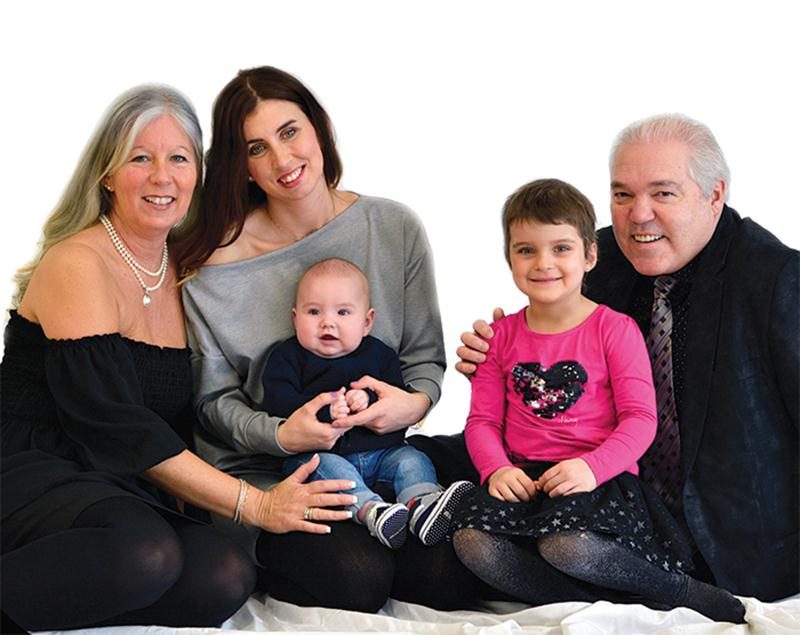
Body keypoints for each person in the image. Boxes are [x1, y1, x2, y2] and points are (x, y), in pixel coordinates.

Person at [0, 85, 355, 632]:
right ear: (107, 174)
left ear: (199, 175)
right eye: (140, 158)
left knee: (224, 576)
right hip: (34, 466)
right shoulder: (77, 262)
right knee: (145, 556)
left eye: (179, 158)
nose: (162, 177)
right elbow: (117, 424)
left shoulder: (185, 272)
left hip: (120, 481)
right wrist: (254, 505)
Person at [176, 65, 487, 612]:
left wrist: (412, 403)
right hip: (273, 472)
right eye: (256, 147)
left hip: (380, 449)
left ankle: (398, 515)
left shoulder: (393, 228)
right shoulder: (211, 269)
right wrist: (283, 436)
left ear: (318, 128)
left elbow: (422, 358)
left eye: (290, 131)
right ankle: (269, 559)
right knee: (359, 578)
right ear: (240, 165)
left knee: (448, 576)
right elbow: (211, 402)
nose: (281, 160)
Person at [456, 114, 799, 603]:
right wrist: (491, 354)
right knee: (441, 552)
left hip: (726, 536)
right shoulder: (595, 257)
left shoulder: (777, 279)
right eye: (622, 195)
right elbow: (541, 345)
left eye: (663, 193)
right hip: (571, 483)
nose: (639, 215)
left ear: (715, 194)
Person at [449, 177, 745, 623]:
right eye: (526, 250)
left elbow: (641, 418)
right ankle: (581, 599)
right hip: (528, 480)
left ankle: (674, 589)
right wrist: (497, 468)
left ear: (590, 255)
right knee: (471, 542)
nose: (543, 263)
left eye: (561, 248)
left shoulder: (614, 329)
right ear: (508, 258)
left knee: (566, 546)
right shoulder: (500, 338)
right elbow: (483, 422)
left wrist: (592, 467)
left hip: (599, 479)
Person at [264, 258, 473, 550]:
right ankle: (373, 511)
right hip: (324, 455)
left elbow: (395, 397)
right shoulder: (285, 358)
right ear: (295, 317)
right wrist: (325, 413)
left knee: (411, 459)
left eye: (343, 312)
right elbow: (279, 405)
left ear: (367, 322)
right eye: (314, 312)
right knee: (326, 469)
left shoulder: (379, 355)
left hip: (382, 452)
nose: (328, 322)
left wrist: (369, 400)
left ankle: (422, 504)